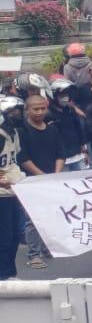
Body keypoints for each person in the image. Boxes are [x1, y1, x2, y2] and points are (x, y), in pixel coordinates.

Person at [18, 95, 63, 270]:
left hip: (50, 179)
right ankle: (34, 254)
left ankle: (47, 248)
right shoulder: (22, 132)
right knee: (32, 219)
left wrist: (56, 174)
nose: (40, 112)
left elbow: (60, 153)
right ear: (27, 110)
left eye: (42, 108)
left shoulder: (53, 130)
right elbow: (23, 158)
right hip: (30, 180)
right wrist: (41, 175)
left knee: (50, 216)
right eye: (35, 109)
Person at [0, 97, 28, 281]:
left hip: (14, 190)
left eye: (18, 110)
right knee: (5, 237)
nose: (17, 115)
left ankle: (10, 271)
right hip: (2, 194)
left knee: (16, 234)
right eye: (12, 112)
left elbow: (15, 159)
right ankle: (4, 274)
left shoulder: (14, 133)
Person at [47, 79, 88, 171]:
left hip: (77, 155)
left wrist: (84, 151)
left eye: (67, 95)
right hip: (60, 159)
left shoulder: (70, 110)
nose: (65, 98)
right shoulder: (48, 115)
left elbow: (79, 130)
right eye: (62, 95)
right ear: (54, 95)